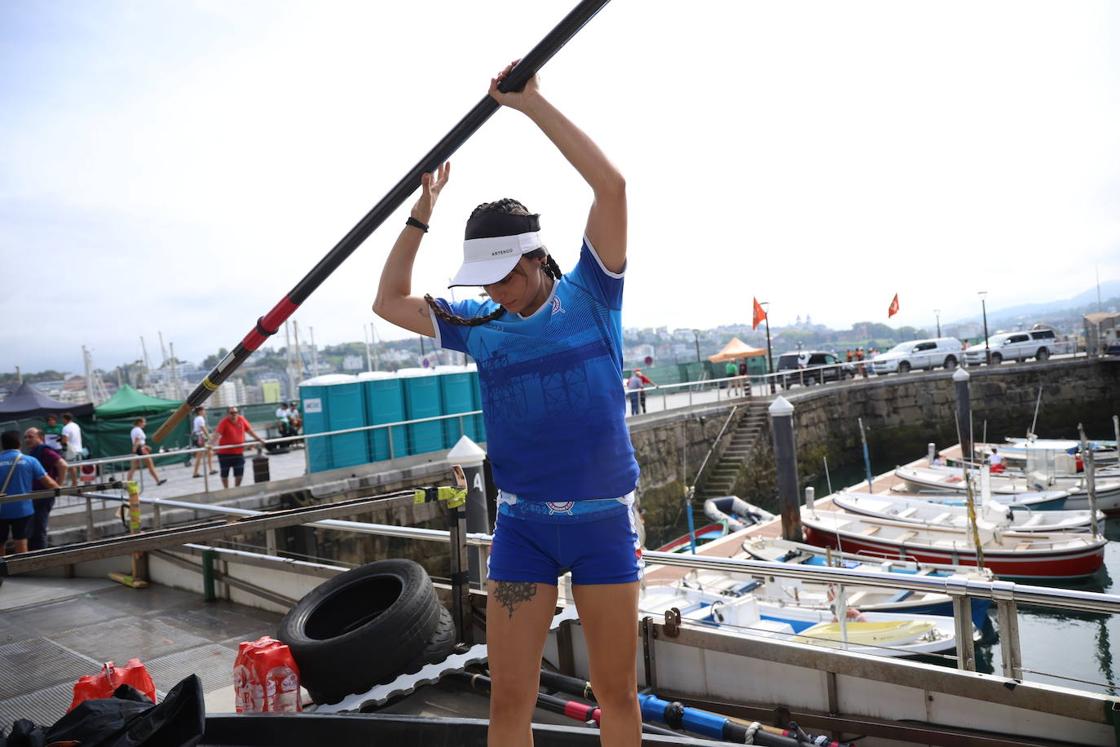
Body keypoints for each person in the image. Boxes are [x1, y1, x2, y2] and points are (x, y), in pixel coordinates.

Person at [373, 63, 641, 746]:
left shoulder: (593, 295)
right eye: (483, 280)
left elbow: (611, 187)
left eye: (503, 275)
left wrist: (533, 104)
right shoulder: (477, 323)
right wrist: (422, 212)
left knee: (616, 694)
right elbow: (388, 299)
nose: (494, 290)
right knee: (508, 702)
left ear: (535, 256)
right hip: (522, 528)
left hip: (603, 522)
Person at [1, 430, 60, 555]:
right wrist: (61, 489)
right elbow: (50, 484)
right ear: (19, 443)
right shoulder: (30, 461)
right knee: (21, 540)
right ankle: (22, 565)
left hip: (1, 508)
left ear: (2, 444)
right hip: (23, 508)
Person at [23, 427, 67, 551]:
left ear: (40, 437)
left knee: (39, 529)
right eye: (25, 437)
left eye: (30, 437)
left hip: (43, 495)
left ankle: (41, 555)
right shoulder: (34, 451)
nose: (27, 439)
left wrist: (58, 486)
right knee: (34, 528)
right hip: (36, 495)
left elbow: (63, 465)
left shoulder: (44, 450)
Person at [212, 406, 266, 488]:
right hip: (224, 453)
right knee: (224, 473)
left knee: (239, 473)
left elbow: (249, 431)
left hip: (238, 453)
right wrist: (211, 445)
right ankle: (226, 489)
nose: (234, 414)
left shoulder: (241, 419)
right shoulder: (224, 422)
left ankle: (236, 488)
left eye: (235, 412)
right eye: (232, 413)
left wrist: (259, 439)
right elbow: (217, 434)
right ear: (227, 414)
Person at [126, 417, 166, 485]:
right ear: (139, 422)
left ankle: (128, 483)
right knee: (150, 465)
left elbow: (138, 441)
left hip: (140, 449)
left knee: (133, 468)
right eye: (144, 422)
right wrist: (135, 450)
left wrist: (144, 447)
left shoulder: (134, 430)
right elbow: (137, 441)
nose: (145, 424)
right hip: (141, 450)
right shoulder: (138, 430)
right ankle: (158, 481)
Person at [191, 406, 217, 478]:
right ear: (200, 411)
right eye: (203, 410)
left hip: (199, 438)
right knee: (200, 455)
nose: (205, 412)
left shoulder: (196, 418)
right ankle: (196, 473)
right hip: (200, 439)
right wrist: (209, 437)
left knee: (209, 452)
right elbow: (203, 428)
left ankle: (210, 470)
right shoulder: (200, 418)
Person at [60, 412, 84, 487]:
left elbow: (64, 441)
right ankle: (78, 483)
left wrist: (60, 441)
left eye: (62, 419)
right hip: (79, 449)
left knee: (72, 467)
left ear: (65, 419)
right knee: (77, 467)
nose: (62, 421)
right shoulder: (76, 425)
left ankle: (74, 484)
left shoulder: (66, 428)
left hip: (71, 451)